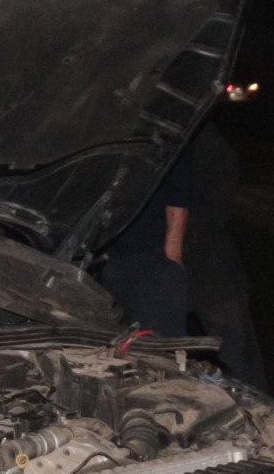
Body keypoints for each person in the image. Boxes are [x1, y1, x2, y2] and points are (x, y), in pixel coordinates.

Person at [180, 122, 262, 384]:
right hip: (160, 268)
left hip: (210, 267)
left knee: (239, 357)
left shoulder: (200, 137)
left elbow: (217, 200)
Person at [99, 149, 193, 336]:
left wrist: (171, 259)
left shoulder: (165, 148)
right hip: (112, 261)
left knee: (154, 347)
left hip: (151, 264)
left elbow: (178, 205)